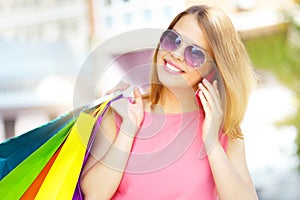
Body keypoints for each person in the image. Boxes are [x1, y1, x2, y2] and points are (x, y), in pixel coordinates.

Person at [80, 4, 259, 200]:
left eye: (195, 53)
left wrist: (211, 143)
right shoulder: (121, 111)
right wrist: (128, 129)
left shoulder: (225, 130)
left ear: (212, 70)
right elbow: (93, 195)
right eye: (173, 40)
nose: (176, 54)